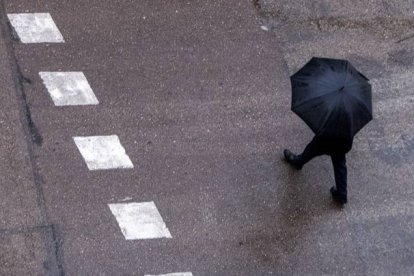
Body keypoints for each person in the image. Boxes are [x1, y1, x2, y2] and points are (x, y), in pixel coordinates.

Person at [283, 135, 353, 205]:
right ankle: (341, 193)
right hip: (344, 138)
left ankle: (298, 161)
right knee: (339, 158)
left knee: (316, 145)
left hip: (329, 135)